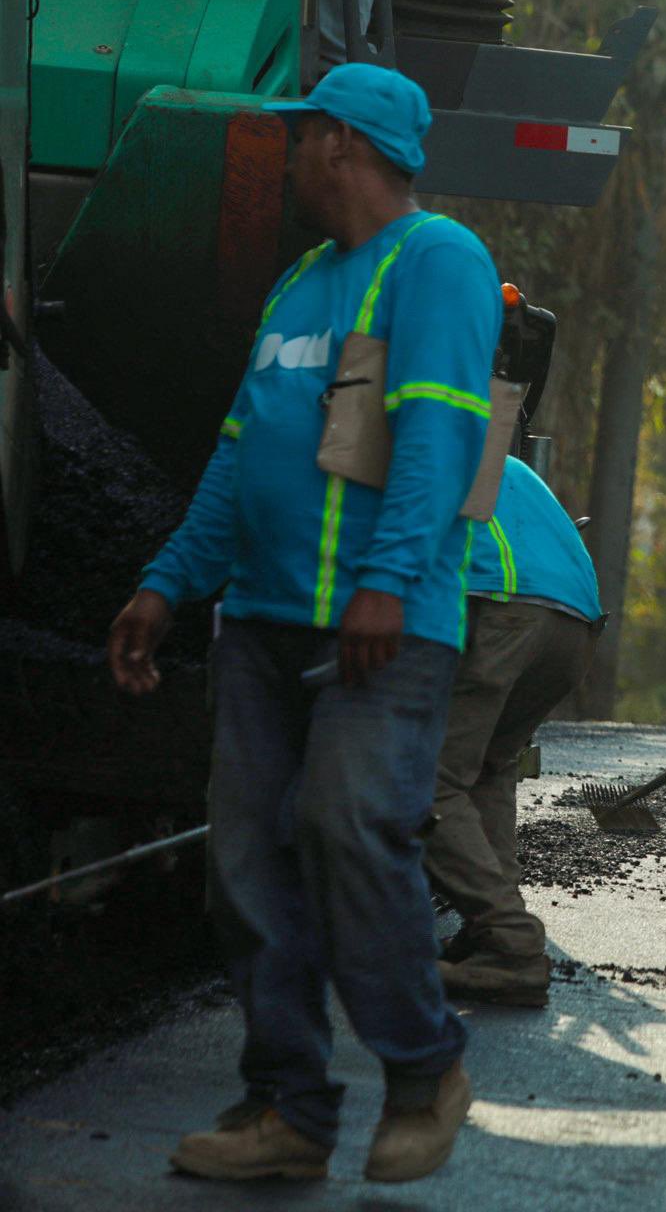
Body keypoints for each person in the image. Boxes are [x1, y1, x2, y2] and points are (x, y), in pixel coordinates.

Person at [106, 64, 495, 1182]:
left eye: (299, 137)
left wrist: (384, 579)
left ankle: (424, 1069)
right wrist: (167, 580)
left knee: (343, 827)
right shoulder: (298, 288)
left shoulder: (437, 262)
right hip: (262, 623)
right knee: (245, 865)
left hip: (384, 625)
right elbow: (240, 457)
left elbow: (440, 434)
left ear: (340, 144)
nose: (286, 157)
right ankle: (289, 1110)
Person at [428, 454, 603, 1009]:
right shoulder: (504, 460)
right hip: (576, 624)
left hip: (504, 609)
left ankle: (509, 942)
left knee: (426, 781)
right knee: (489, 769)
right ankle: (489, 932)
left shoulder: (415, 440)